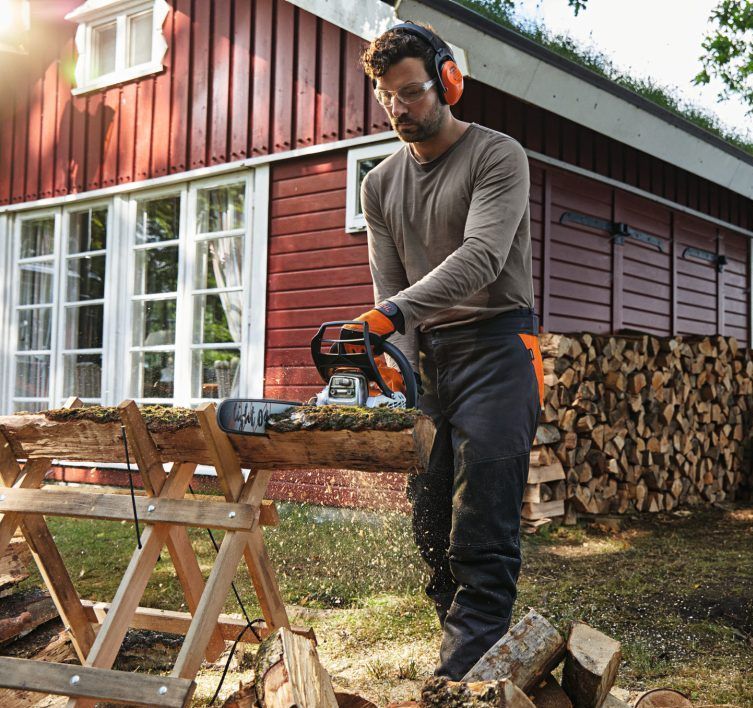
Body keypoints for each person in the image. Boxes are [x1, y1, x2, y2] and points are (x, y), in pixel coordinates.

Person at [345, 21, 546, 680]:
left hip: (497, 346)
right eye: (388, 99)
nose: (400, 110)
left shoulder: (497, 155)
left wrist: (391, 314)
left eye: (411, 93)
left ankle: (454, 682)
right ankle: (470, 662)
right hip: (428, 358)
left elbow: (482, 257)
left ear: (449, 81)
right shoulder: (378, 185)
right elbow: (389, 291)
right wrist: (390, 357)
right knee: (430, 525)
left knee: (481, 527)